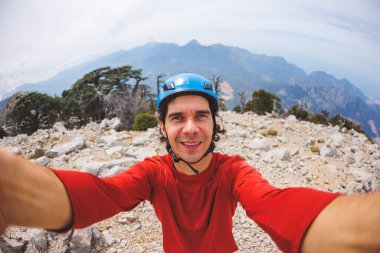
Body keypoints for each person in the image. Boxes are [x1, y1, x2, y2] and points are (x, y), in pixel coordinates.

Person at [0, 73, 379, 253]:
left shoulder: (233, 171)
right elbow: (98, 196)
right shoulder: (152, 174)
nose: (191, 129)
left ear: (215, 124)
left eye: (202, 115)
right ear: (162, 128)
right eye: (177, 118)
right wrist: (13, 184)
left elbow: (274, 205)